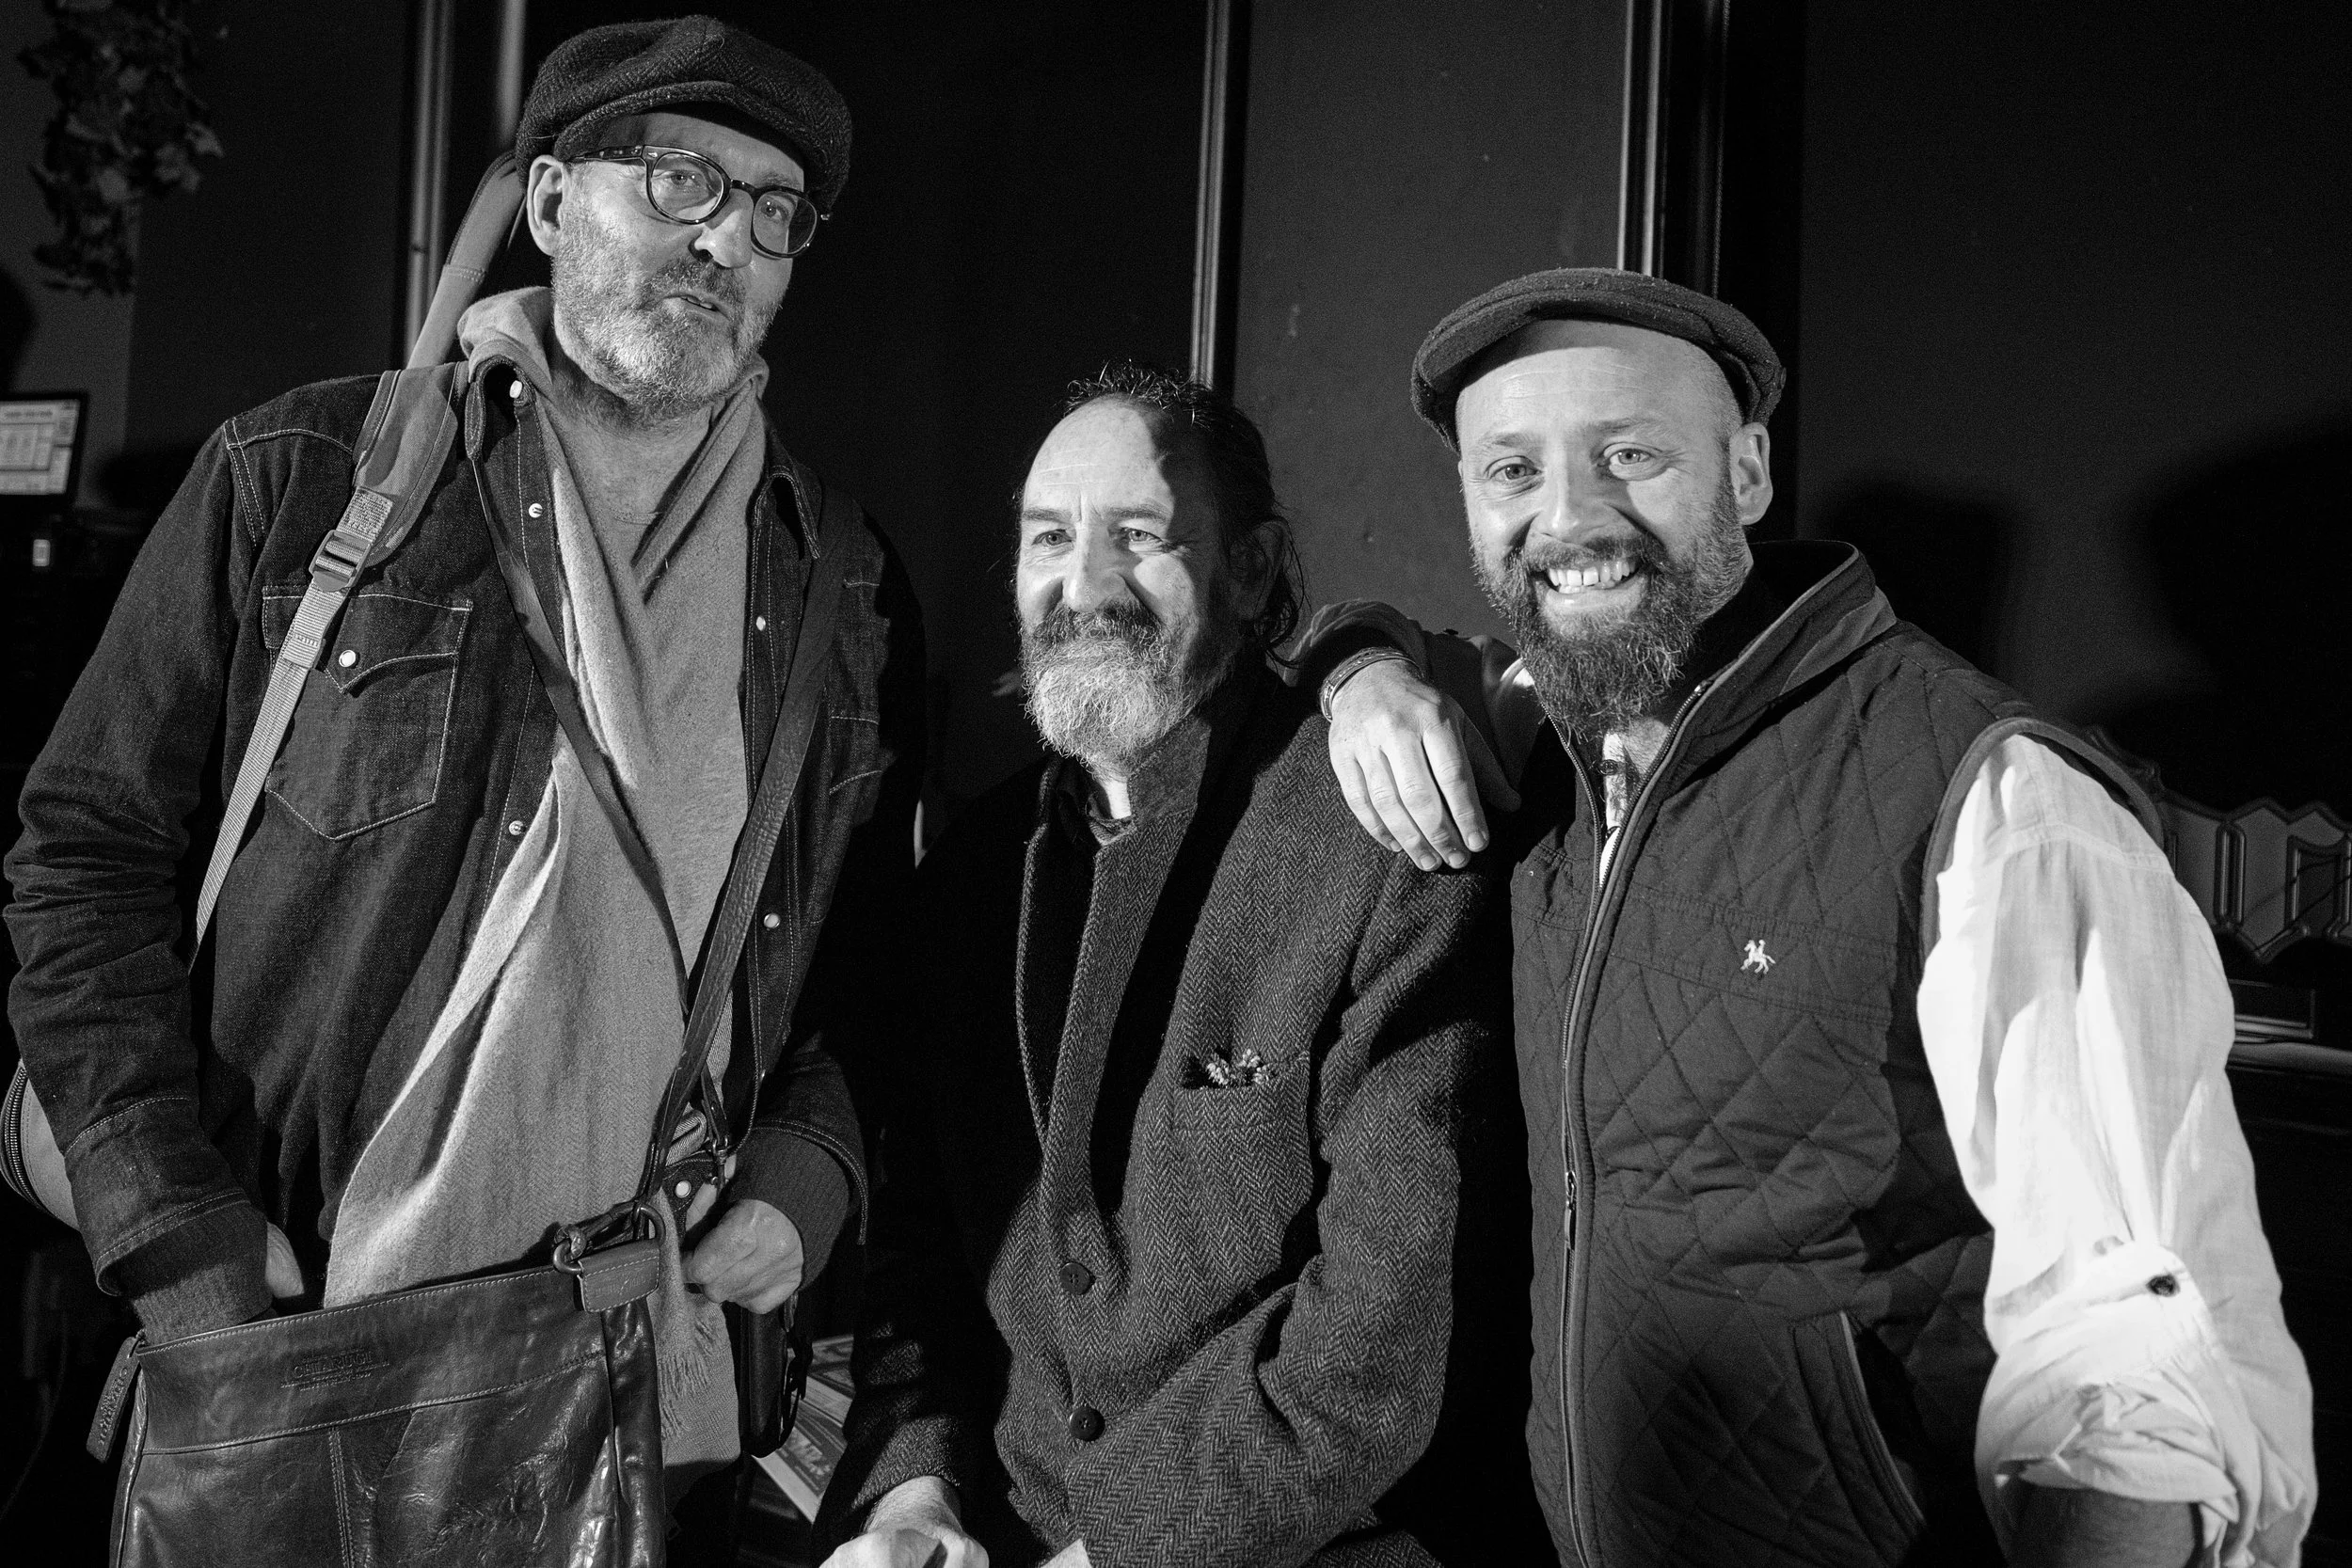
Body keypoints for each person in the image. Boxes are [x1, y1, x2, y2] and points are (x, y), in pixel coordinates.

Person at [3, 13, 921, 1516]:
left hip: (639, 1392)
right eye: (679, 180)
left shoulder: (842, 590)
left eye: (772, 214)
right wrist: (172, 1227)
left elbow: (873, 961)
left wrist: (809, 1169)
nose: (726, 245)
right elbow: (81, 853)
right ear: (554, 204)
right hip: (296, 1353)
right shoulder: (304, 479)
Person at [1307, 268, 2313, 1567]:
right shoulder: (1550, 737)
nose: (1568, 518)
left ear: (1749, 471)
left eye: (1630, 453)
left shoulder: (1997, 796)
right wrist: (1359, 670)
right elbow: (1394, 644)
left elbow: (2135, 1345)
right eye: (1512, 471)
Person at [814, 366, 1544, 1567]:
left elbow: (1386, 1337)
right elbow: (925, 1257)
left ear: (1251, 570)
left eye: (1138, 537)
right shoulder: (969, 875)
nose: (1082, 584)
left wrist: (1122, 1547)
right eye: (1049, 536)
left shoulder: (1390, 839)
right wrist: (912, 1495)